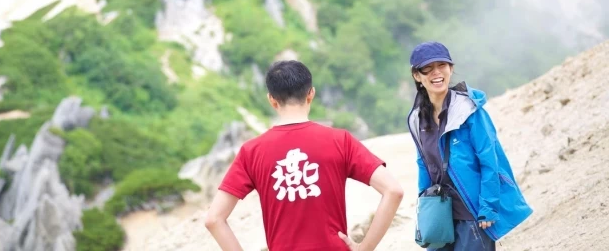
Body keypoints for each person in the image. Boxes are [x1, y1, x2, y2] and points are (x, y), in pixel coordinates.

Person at [205, 60, 404, 251]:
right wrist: (364, 248)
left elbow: (214, 219)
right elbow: (393, 190)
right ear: (311, 94)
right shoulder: (340, 140)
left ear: (272, 99)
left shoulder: (252, 151)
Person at [407, 41, 532, 250]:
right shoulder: (417, 119)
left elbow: (490, 160)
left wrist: (488, 206)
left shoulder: (469, 110)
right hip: (439, 214)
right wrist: (424, 206)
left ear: (451, 68)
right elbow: (423, 164)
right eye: (427, 68)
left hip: (472, 212)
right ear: (417, 76)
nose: (436, 72)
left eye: (442, 65)